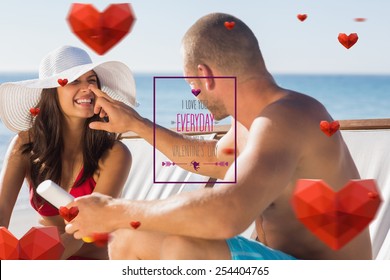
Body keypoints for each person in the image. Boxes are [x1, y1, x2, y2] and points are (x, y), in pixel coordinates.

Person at [65, 13, 373, 260]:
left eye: (191, 82)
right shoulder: (251, 124)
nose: (193, 93)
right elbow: (203, 158)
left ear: (206, 74)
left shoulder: (286, 119)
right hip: (276, 258)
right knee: (130, 238)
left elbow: (227, 214)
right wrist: (138, 123)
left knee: (183, 248)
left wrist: (115, 211)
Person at [0, 45, 135, 259]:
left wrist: (35, 264)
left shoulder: (114, 154)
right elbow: (2, 207)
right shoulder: (25, 144)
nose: (87, 88)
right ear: (52, 91)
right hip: (41, 254)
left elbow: (86, 228)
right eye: (73, 81)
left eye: (91, 80)